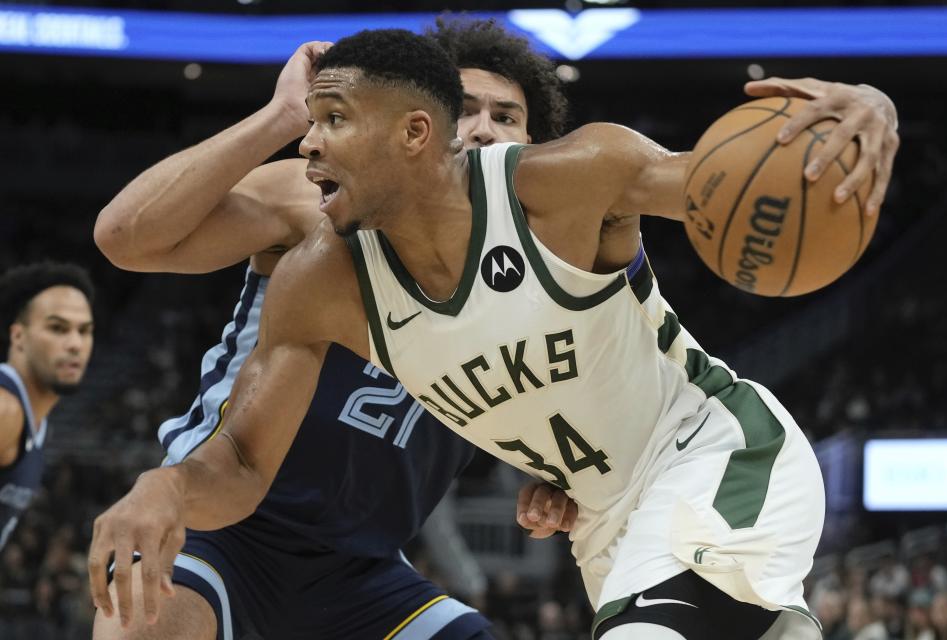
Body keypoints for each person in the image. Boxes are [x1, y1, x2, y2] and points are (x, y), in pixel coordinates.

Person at [89, 27, 899, 640]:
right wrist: (164, 484)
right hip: (605, 526)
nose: (308, 139)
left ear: (414, 130)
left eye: (332, 119)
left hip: (710, 458)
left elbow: (727, 180)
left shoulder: (573, 181)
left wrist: (864, 114)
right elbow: (240, 457)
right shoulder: (323, 267)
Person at [91, 20, 578, 640]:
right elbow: (126, 238)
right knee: (143, 625)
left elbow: (558, 434)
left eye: (507, 118)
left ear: (533, 144)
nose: (484, 128)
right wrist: (279, 119)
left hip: (362, 570)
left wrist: (553, 484)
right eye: (466, 110)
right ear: (416, 125)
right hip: (219, 525)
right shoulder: (320, 198)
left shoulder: (538, 286)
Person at [0, 262, 94, 550]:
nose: (75, 344)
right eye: (57, 328)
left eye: (84, 330)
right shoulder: (6, 410)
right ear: (18, 336)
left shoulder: (34, 421)